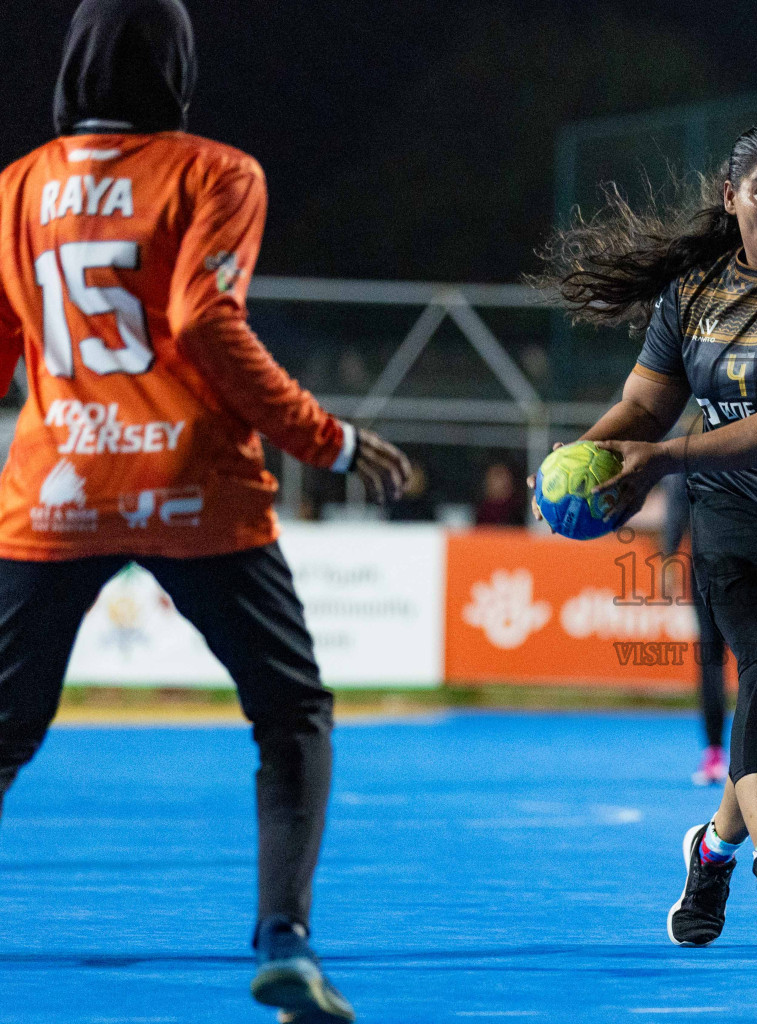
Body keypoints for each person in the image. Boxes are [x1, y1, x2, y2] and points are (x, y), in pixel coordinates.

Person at [0, 2, 412, 1021]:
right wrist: (332, 439)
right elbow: (201, 320)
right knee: (292, 714)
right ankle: (284, 941)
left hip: (58, 490)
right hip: (195, 487)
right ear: (174, 68)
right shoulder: (216, 173)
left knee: (4, 729)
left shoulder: (15, 188)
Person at [533, 123, 757, 951]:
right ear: (731, 198)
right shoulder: (691, 292)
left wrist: (659, 460)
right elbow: (644, 408)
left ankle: (713, 852)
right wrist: (584, 459)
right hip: (735, 505)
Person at [660, 470, 729, 787]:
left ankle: (716, 754)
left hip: (710, 560)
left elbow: (677, 500)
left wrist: (670, 553)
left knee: (712, 658)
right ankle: (752, 758)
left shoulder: (697, 443)